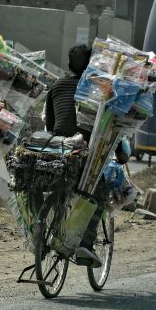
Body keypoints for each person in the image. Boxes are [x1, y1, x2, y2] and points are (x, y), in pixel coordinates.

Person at [43, 44, 105, 267]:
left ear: (69, 65)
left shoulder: (57, 85)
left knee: (63, 188)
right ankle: (85, 245)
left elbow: (50, 125)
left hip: (59, 148)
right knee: (99, 190)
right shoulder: (98, 89)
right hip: (84, 149)